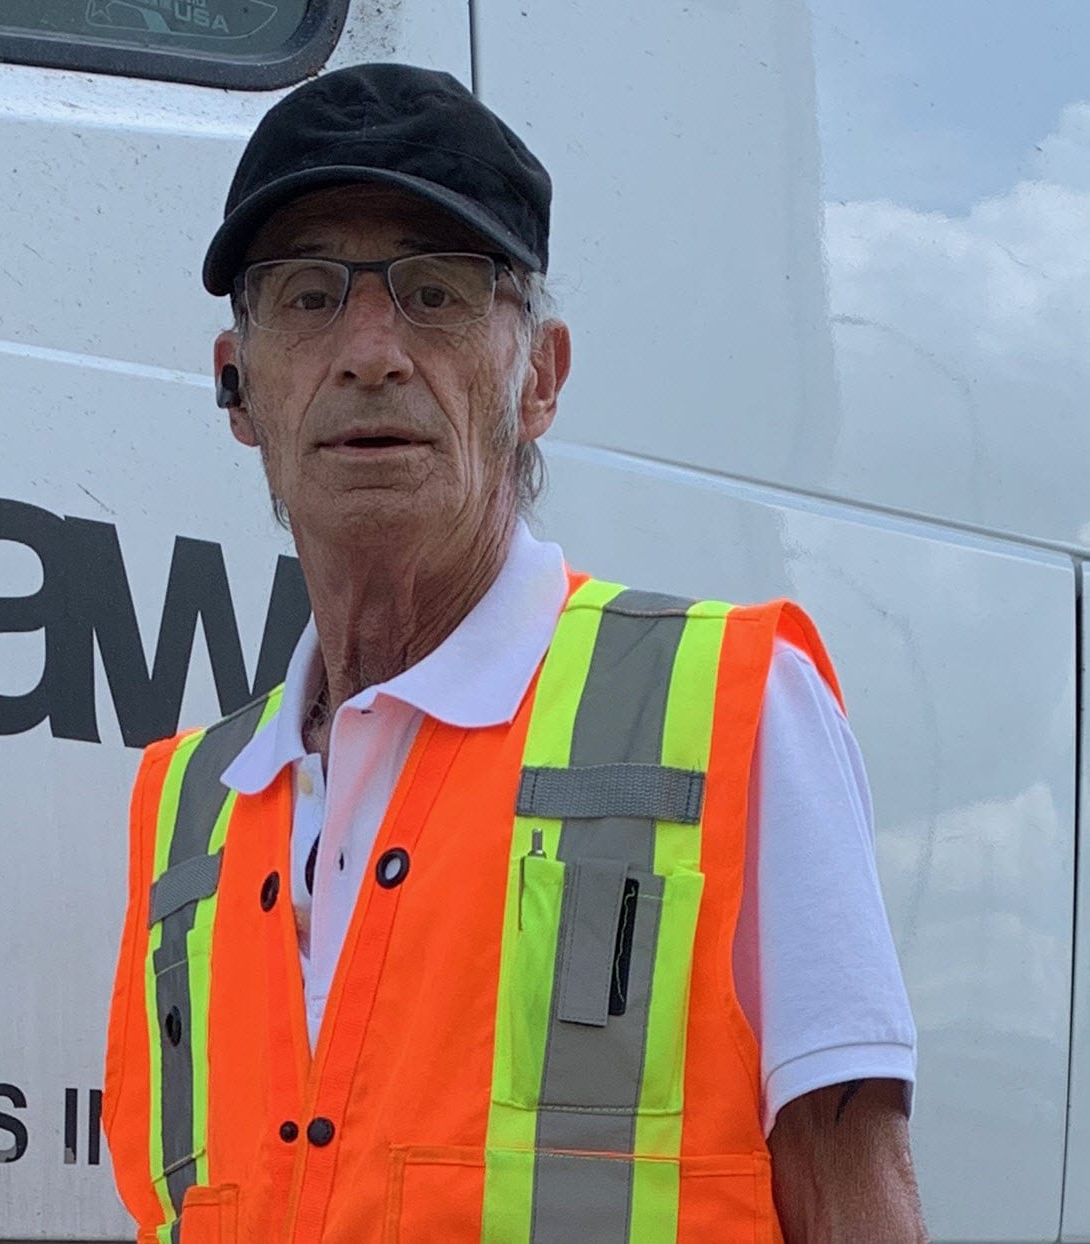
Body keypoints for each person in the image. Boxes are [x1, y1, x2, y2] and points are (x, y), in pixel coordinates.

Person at [100, 62, 924, 1243]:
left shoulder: (735, 709)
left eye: (434, 293)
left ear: (536, 378)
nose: (370, 349)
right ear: (236, 387)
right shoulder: (184, 811)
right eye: (306, 295)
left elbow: (854, 1196)